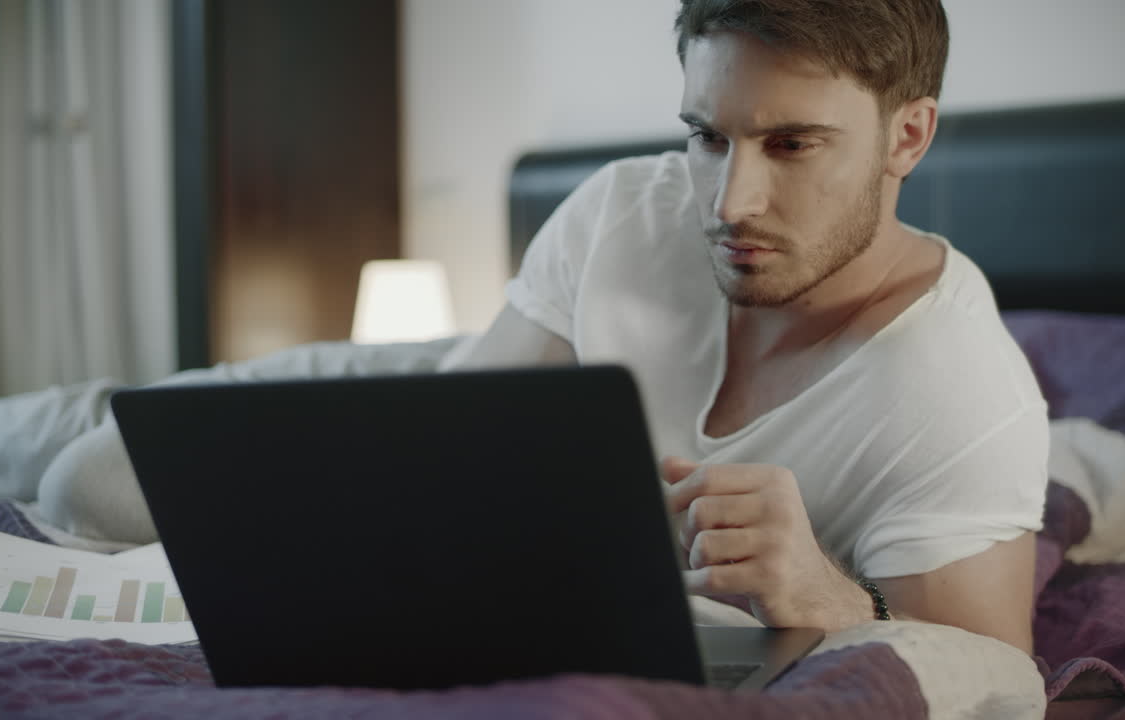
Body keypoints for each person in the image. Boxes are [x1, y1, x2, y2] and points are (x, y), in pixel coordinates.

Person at [446, 0, 1048, 655]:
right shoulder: (616, 218)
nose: (730, 205)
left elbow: (994, 676)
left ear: (907, 137)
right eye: (709, 138)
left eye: (791, 145)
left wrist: (826, 598)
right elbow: (444, 460)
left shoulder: (959, 389)